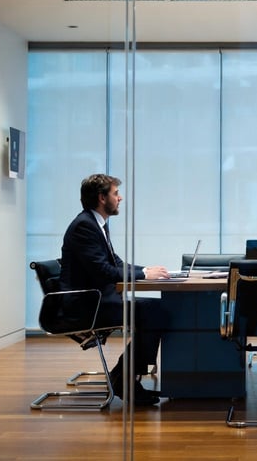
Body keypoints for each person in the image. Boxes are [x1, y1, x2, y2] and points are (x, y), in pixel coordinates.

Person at [59, 173, 171, 406]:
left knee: (156, 310)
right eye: (115, 193)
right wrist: (142, 275)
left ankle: (123, 376)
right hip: (88, 306)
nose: (120, 198)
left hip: (99, 300)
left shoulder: (95, 223)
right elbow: (103, 271)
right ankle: (124, 379)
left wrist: (146, 269)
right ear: (102, 198)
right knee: (156, 311)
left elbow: (115, 263)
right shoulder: (84, 226)